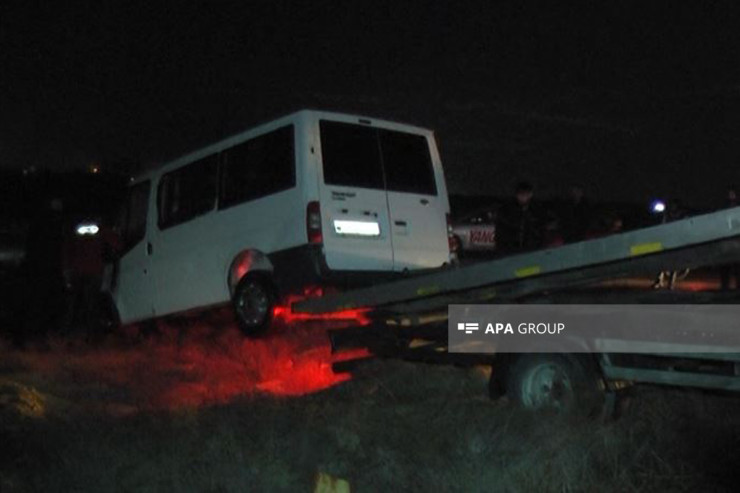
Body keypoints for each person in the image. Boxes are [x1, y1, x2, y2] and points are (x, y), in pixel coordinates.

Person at [498, 181, 543, 253]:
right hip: (512, 249)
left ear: (530, 195)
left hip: (531, 249)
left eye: (525, 194)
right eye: (520, 194)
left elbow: (539, 229)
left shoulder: (536, 210)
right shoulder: (508, 210)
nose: (522, 197)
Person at [720, 186, 740, 290]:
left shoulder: (738, 206)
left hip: (737, 240)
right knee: (725, 265)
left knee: (737, 266)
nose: (731, 195)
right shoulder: (724, 207)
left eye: (733, 193)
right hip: (726, 239)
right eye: (729, 193)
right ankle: (725, 286)